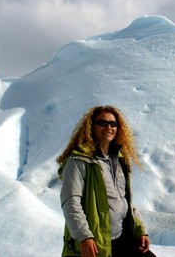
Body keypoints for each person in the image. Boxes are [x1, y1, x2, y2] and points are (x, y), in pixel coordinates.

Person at [57, 105, 156, 257]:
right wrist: (84, 236)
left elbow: (125, 201)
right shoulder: (79, 161)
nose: (108, 127)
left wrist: (140, 230)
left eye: (113, 123)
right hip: (96, 242)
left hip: (121, 237)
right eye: (102, 123)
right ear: (92, 126)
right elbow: (71, 202)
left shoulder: (119, 160)